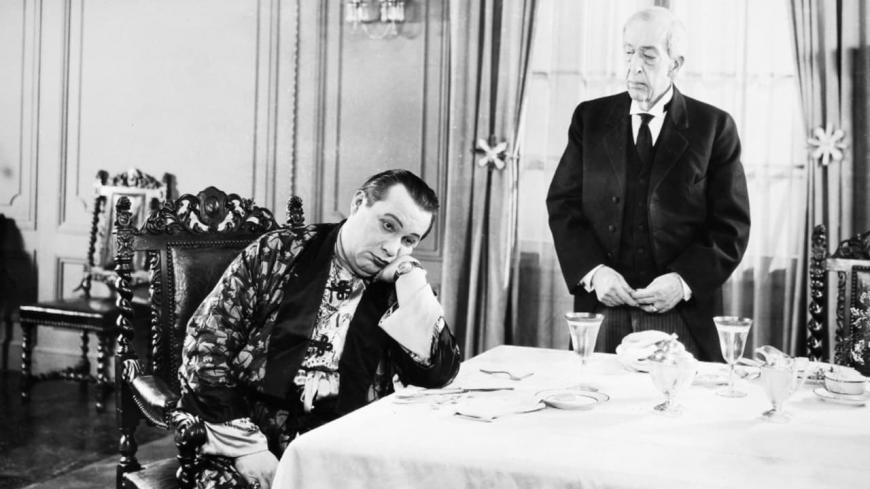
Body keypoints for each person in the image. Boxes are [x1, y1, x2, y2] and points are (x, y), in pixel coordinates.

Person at [178, 169, 462, 489]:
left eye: (408, 240)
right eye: (388, 226)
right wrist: (247, 447)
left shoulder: (398, 283)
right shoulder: (278, 251)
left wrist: (411, 278)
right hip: (253, 439)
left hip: (347, 446)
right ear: (358, 203)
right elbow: (205, 344)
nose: (392, 248)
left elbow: (438, 373)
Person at [546, 7, 750, 361]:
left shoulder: (714, 127)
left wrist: (682, 282)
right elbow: (563, 205)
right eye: (629, 52)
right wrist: (596, 273)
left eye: (648, 55)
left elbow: (731, 226)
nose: (634, 67)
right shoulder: (590, 119)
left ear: (675, 63)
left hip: (680, 314)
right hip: (603, 309)